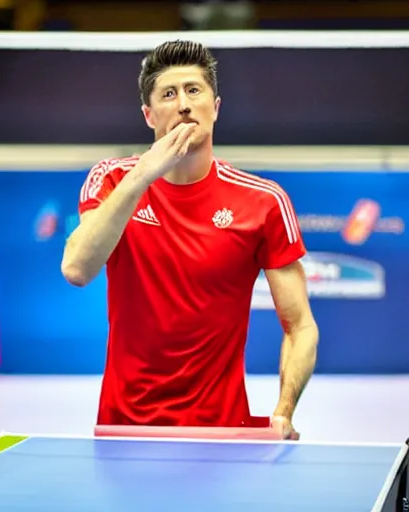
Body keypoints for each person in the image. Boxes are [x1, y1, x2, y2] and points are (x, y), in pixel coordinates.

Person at [61, 40, 319, 439]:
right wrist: (144, 174)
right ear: (149, 116)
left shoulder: (264, 202)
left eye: (194, 90)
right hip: (124, 429)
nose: (183, 104)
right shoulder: (111, 179)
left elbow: (300, 325)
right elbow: (77, 269)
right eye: (168, 94)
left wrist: (283, 411)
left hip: (222, 433)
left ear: (215, 107)